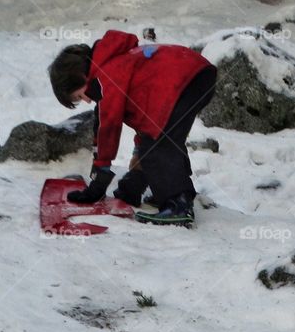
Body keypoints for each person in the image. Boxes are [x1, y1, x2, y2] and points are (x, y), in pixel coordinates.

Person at [48, 30, 216, 226]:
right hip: (197, 75)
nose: (86, 100)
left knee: (156, 145)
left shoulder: (105, 77)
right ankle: (162, 190)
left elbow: (107, 128)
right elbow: (146, 126)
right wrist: (131, 188)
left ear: (80, 76)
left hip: (184, 80)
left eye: (79, 96)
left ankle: (177, 204)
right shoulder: (118, 64)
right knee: (160, 139)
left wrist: (99, 179)